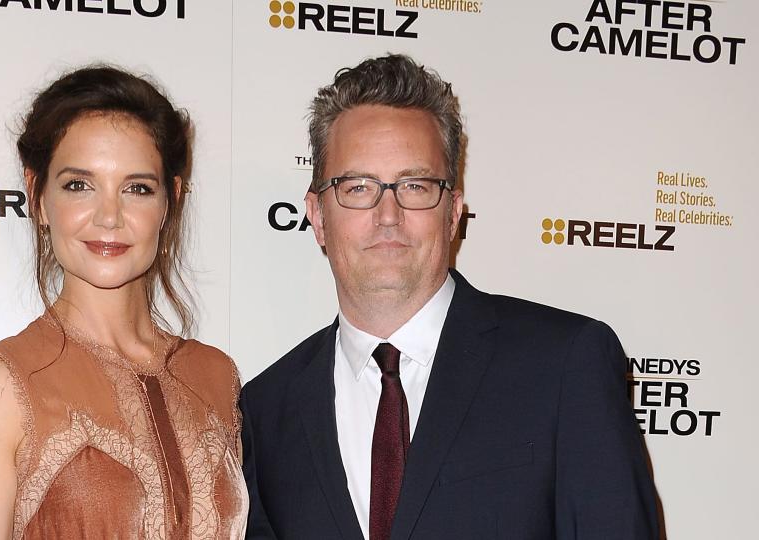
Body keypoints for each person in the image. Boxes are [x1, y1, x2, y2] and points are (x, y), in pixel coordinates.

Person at [240, 54, 659, 539]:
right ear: (317, 214)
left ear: (454, 211)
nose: (388, 214)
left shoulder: (564, 365)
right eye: (357, 187)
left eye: (415, 186)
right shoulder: (266, 410)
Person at [0, 66, 248, 539]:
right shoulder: (1, 385)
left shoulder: (216, 375)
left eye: (137, 188)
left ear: (170, 201)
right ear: (37, 196)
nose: (110, 217)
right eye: (78, 185)